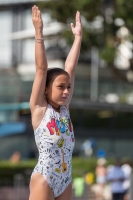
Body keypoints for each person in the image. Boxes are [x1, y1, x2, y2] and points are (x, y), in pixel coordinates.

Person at [29, 5, 82, 200]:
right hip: (45, 177)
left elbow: (70, 68)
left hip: (65, 179)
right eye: (61, 87)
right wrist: (39, 32)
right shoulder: (40, 109)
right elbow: (42, 68)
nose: (67, 91)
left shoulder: (65, 110)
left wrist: (77, 38)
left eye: (68, 87)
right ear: (45, 89)